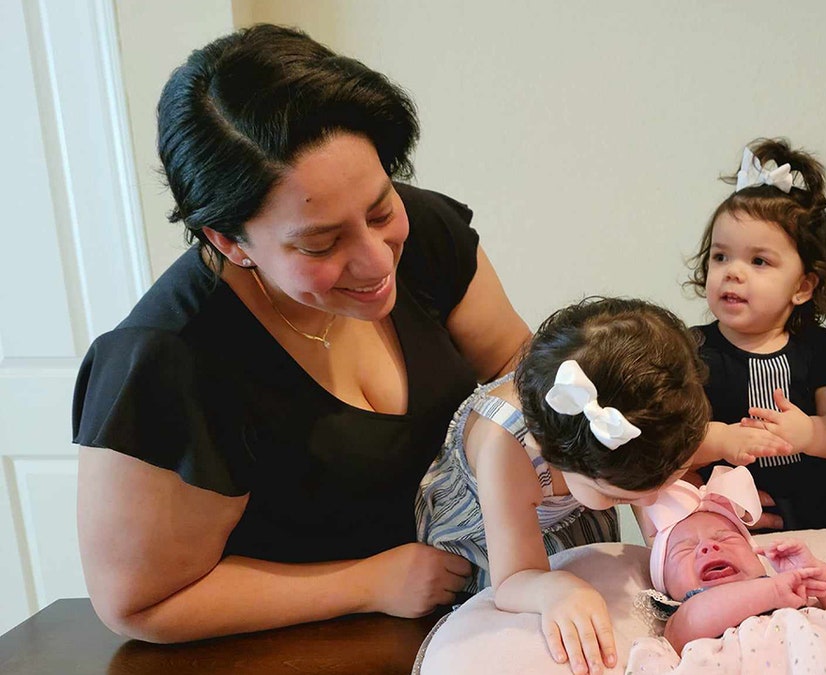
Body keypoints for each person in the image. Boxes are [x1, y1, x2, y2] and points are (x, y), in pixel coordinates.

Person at [71, 24, 530, 643]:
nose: (376, 262)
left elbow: (518, 363)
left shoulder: (421, 233)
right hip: (301, 646)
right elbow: (139, 604)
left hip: (470, 615)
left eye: (379, 209)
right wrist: (369, 583)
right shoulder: (171, 358)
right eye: (321, 243)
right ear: (229, 242)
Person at [417, 296, 709, 675]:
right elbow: (511, 579)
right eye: (619, 496)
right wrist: (554, 590)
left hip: (571, 503)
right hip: (489, 523)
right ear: (551, 454)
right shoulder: (505, 449)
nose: (652, 499)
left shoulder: (653, 418)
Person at [686, 140, 826, 529]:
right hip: (722, 515)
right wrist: (718, 440)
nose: (733, 271)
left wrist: (812, 432)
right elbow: (669, 436)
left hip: (816, 514)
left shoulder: (818, 348)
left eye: (758, 261)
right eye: (720, 256)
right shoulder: (689, 349)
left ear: (802, 286)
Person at [641, 466, 826, 653]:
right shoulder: (686, 615)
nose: (708, 547)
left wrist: (814, 570)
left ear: (756, 557)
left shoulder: (790, 596)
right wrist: (772, 591)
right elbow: (695, 619)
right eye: (685, 549)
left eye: (726, 538)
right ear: (664, 584)